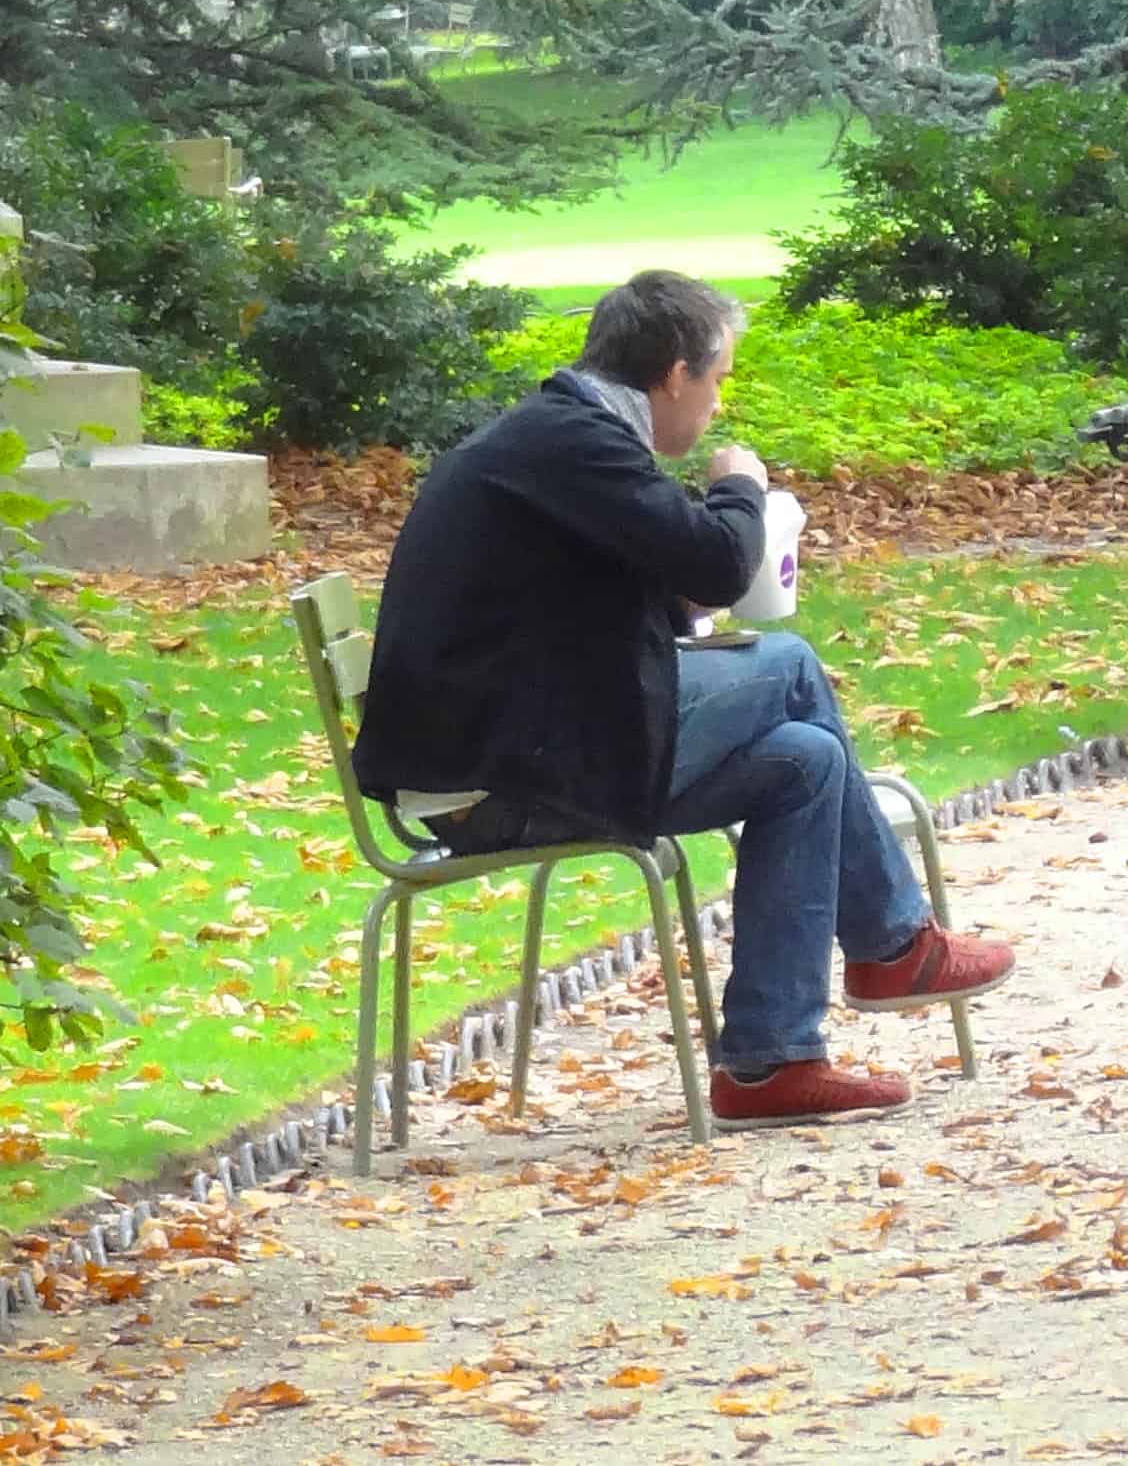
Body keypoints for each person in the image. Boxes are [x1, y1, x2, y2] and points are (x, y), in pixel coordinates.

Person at [352, 271, 1016, 1128]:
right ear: (675, 374)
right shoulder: (572, 441)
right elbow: (712, 562)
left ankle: (770, 1061)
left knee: (806, 762)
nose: (716, 402)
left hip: (528, 745)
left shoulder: (568, 437)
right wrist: (738, 486)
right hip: (500, 781)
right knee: (789, 665)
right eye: (718, 379)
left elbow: (634, 587)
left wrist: (683, 594)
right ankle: (894, 944)